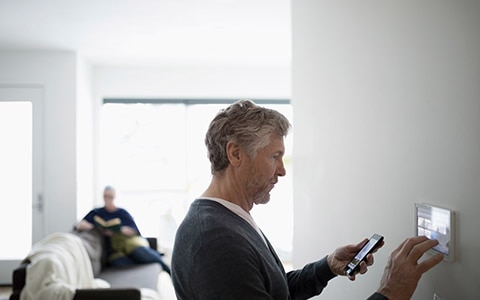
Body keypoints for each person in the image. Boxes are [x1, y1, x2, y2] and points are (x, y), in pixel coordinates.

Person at [171, 100, 443, 299]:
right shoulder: (215, 240)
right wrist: (390, 293)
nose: (282, 170)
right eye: (274, 156)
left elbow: (270, 291)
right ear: (236, 154)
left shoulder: (226, 219)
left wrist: (326, 267)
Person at [76, 186, 171, 275]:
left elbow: (134, 231)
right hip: (115, 252)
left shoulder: (122, 213)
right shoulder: (96, 212)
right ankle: (152, 257)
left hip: (130, 245)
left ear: (114, 197)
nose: (107, 199)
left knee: (141, 255)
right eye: (105, 196)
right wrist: (95, 227)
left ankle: (169, 272)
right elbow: (79, 225)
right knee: (119, 263)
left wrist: (118, 230)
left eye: (110, 197)